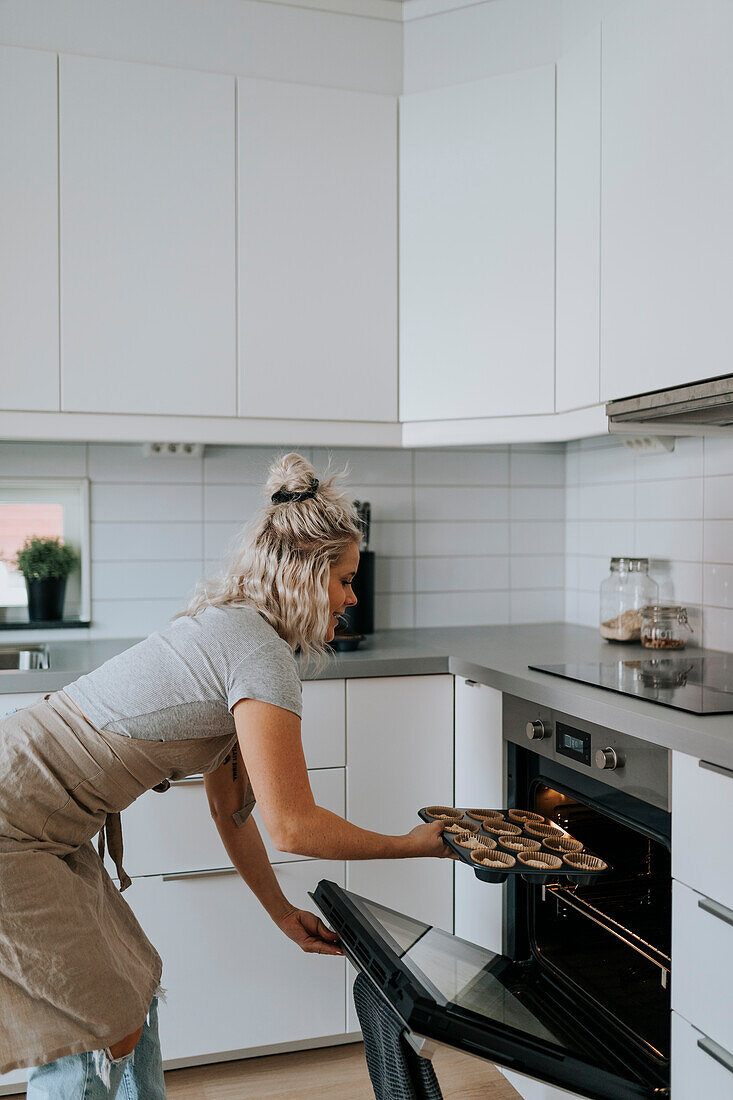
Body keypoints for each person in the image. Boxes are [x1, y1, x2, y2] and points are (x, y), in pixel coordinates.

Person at [0, 452, 451, 1098]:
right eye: (344, 580)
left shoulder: (242, 633)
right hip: (14, 819)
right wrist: (409, 847)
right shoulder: (260, 654)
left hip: (44, 817)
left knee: (133, 990)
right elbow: (292, 826)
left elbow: (229, 807)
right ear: (305, 573)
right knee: (92, 1028)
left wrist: (279, 913)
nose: (352, 597)